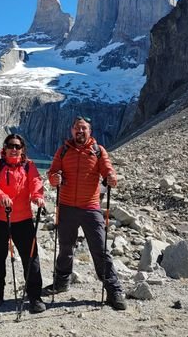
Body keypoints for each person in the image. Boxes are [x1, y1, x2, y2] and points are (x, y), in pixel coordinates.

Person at [44, 115, 127, 310]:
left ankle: (113, 290)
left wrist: (111, 176)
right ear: (72, 131)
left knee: (100, 249)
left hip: (90, 207)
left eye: (84, 129)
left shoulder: (98, 151)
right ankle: (62, 282)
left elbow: (107, 169)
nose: (80, 132)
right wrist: (53, 178)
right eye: (77, 128)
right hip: (66, 207)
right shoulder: (63, 150)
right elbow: (52, 172)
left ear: (90, 131)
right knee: (65, 248)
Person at [0, 134, 46, 313]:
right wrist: (1, 196)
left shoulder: (29, 166)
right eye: (11, 146)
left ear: (22, 149)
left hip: (23, 219)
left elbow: (35, 181)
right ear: (4, 148)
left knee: (31, 258)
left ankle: (35, 297)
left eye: (17, 146)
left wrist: (37, 196)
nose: (14, 149)